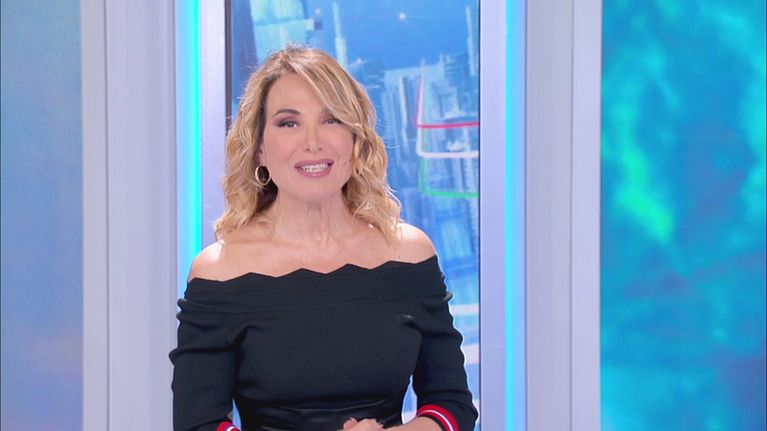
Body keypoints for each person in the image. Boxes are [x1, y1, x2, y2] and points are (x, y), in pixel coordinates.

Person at [170, 46, 477, 431]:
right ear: (260, 147)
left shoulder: (410, 255)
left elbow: (452, 407)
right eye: (289, 123)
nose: (313, 142)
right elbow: (198, 424)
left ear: (354, 138)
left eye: (331, 119)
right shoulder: (220, 271)